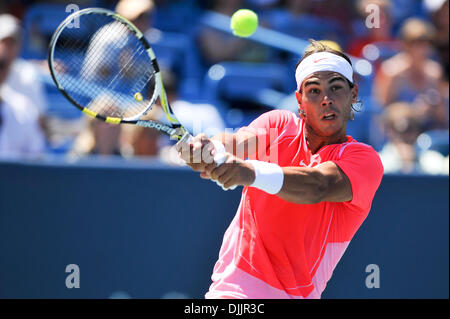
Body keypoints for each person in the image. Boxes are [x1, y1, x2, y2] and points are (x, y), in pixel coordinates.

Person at [178, 40, 384, 299]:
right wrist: (208, 148)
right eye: (314, 91)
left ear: (353, 94)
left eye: (336, 88)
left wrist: (249, 172)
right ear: (299, 99)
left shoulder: (363, 160)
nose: (326, 100)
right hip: (234, 292)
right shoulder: (280, 126)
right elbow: (235, 143)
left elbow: (318, 185)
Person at [373, 18, 448, 131]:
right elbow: (381, 110)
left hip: (429, 131)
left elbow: (442, 117)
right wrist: (412, 112)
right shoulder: (391, 71)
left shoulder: (435, 72)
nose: (423, 49)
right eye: (417, 44)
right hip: (398, 132)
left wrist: (435, 108)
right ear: (406, 45)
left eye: (426, 44)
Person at [0, 13, 46, 158]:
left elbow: (36, 156)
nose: (7, 48)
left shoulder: (23, 107)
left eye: (12, 43)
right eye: (4, 42)